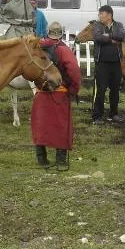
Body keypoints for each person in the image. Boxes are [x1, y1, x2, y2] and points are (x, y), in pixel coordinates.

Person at [31, 22, 81, 171]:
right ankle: (60, 162)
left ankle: (42, 159)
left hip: (41, 92)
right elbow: (74, 70)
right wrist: (73, 89)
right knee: (61, 127)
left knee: (40, 126)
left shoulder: (38, 47)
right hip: (59, 93)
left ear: (48, 32)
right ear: (61, 33)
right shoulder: (63, 50)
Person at [91, 5, 125, 124]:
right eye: (99, 14)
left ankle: (114, 113)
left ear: (109, 15)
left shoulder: (119, 25)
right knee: (101, 90)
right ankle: (97, 116)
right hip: (102, 63)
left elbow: (121, 36)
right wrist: (111, 39)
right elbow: (97, 38)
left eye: (102, 14)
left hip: (116, 63)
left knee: (115, 89)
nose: (100, 16)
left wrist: (107, 36)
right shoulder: (97, 25)